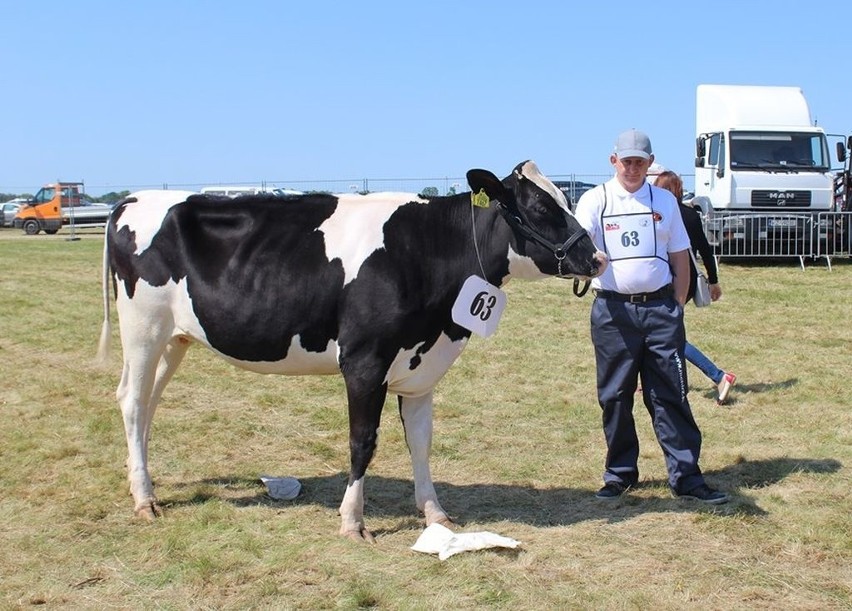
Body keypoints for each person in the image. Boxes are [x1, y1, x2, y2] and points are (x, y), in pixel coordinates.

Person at [573, 129, 729, 504]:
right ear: (614, 161)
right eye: (626, 161)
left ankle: (687, 477)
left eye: (639, 162)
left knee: (671, 395)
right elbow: (580, 250)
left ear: (649, 163)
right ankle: (620, 474)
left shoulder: (665, 201)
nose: (632, 168)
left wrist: (675, 304)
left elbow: (680, 255)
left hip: (661, 311)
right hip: (612, 312)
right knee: (614, 396)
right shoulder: (595, 200)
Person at [653, 171, 737, 405]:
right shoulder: (690, 215)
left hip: (665, 281)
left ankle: (719, 376)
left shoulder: (657, 214)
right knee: (667, 330)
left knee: (672, 336)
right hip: (688, 281)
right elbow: (705, 249)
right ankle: (667, 380)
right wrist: (713, 280)